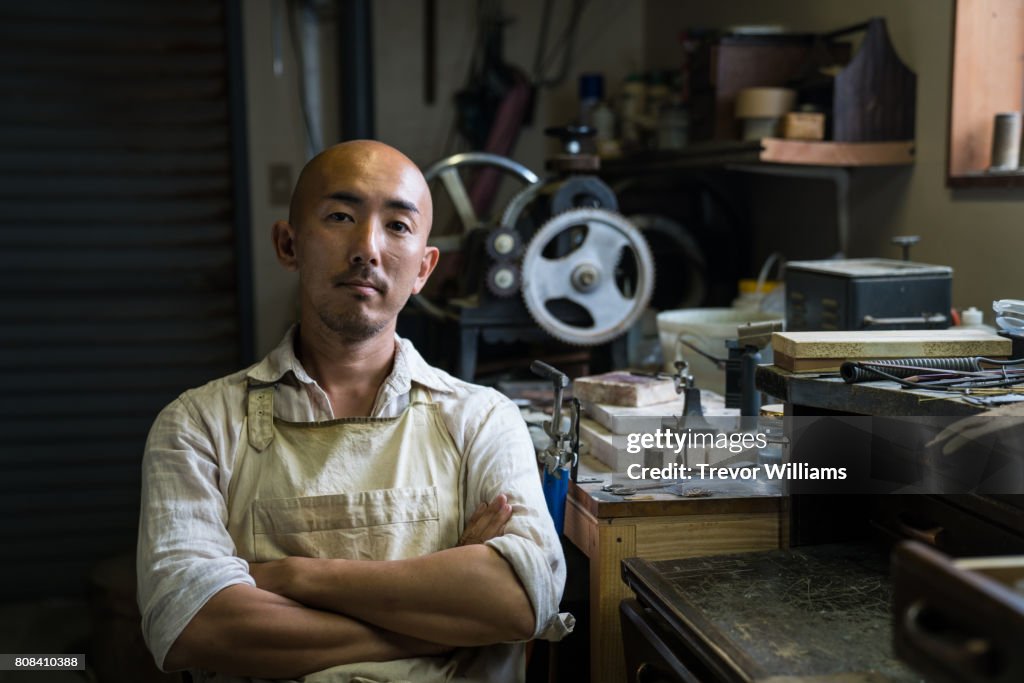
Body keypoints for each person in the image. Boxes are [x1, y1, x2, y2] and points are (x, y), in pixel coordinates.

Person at [136, 140, 572, 682]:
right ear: (288, 244)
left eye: (397, 226)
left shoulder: (482, 419)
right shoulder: (198, 425)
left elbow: (521, 600)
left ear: (424, 268)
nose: (367, 246)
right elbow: (192, 624)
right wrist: (444, 616)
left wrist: (293, 577)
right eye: (340, 216)